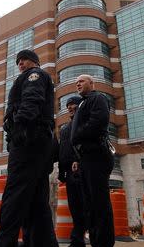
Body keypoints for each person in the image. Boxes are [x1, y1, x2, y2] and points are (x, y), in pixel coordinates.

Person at [0, 49, 58, 247]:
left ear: (33, 61)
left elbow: (32, 100)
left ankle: (5, 243)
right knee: (37, 200)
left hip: (28, 141)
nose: (20, 64)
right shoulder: (35, 77)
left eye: (23, 60)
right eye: (18, 62)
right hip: (37, 143)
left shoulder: (35, 75)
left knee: (15, 195)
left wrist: (19, 128)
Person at [70, 74, 115, 247]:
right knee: (90, 205)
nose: (78, 84)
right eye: (76, 82)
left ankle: (104, 243)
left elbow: (99, 122)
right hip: (86, 158)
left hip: (97, 156)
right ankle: (96, 241)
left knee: (99, 203)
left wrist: (78, 135)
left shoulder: (98, 98)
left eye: (81, 81)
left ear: (91, 83)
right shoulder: (83, 102)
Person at [59, 95, 86, 247]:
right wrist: (61, 171)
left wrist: (79, 160)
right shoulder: (64, 129)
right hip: (69, 172)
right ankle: (78, 239)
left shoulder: (85, 124)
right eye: (68, 105)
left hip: (81, 170)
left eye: (73, 105)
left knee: (83, 206)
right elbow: (63, 151)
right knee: (74, 207)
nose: (70, 107)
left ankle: (78, 238)